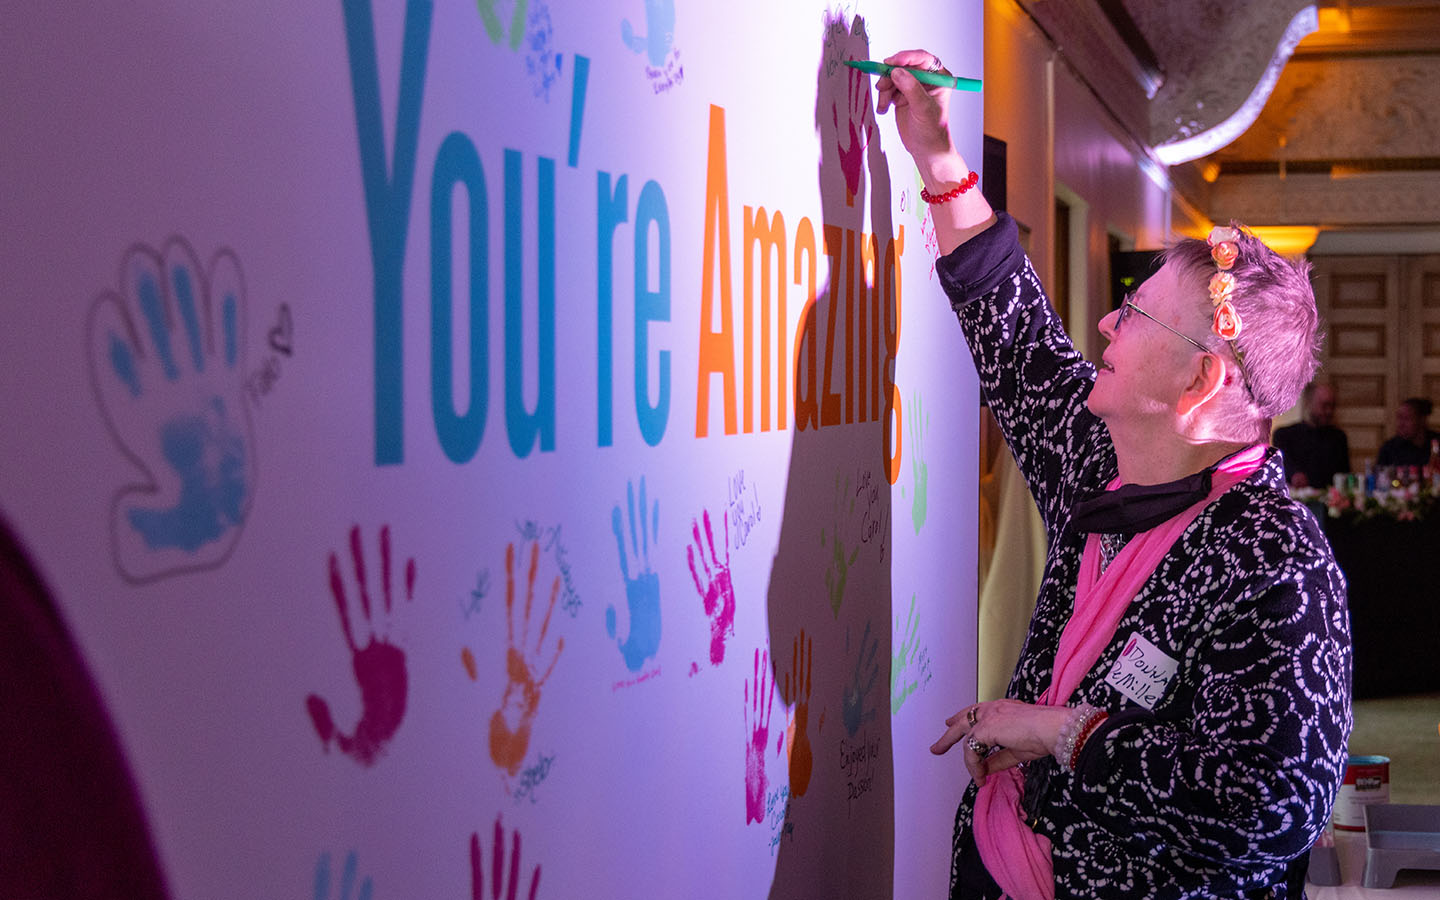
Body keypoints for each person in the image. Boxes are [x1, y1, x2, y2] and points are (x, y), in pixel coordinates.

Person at [875, 50, 1352, 900]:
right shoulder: (1109, 464)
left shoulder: (1276, 560)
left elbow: (1272, 810)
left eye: (1132, 314)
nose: (1102, 321)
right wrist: (939, 158)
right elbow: (1016, 341)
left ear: (1199, 382)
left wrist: (1063, 735)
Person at [1272, 381, 1350, 489]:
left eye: (1332, 406)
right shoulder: (1284, 436)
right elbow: (1281, 466)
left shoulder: (1339, 438)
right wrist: (1294, 475)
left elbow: (1345, 476)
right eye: (1324, 405)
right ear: (1309, 403)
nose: (1329, 411)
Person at [1375, 397, 1438, 469]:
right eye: (1399, 418)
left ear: (1422, 420)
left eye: (1406, 418)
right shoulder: (1390, 448)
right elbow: (1380, 475)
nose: (1400, 424)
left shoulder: (1436, 443)